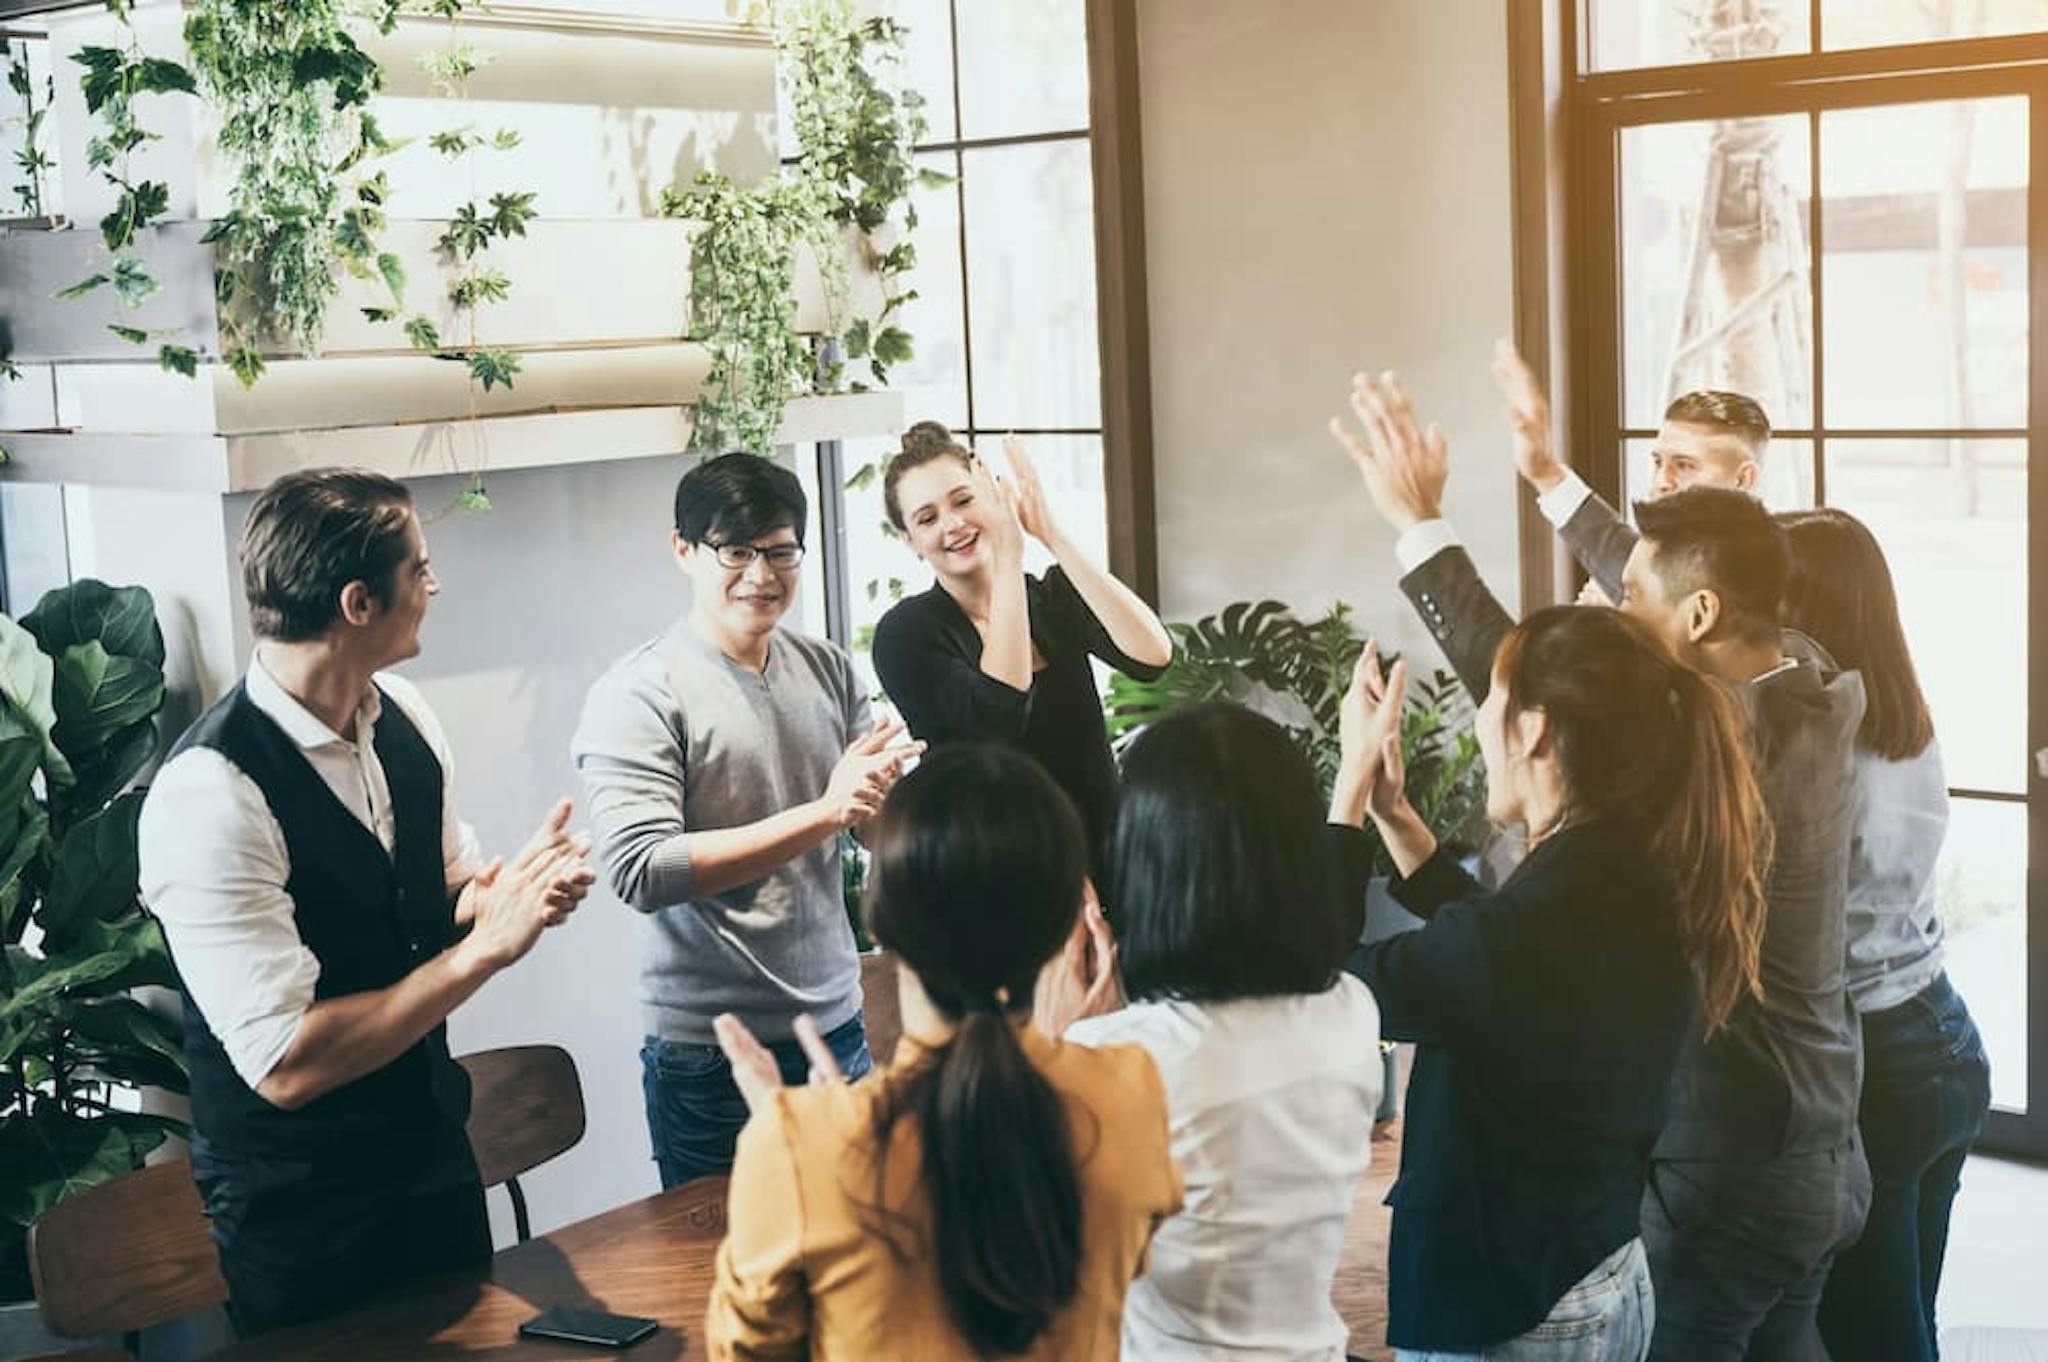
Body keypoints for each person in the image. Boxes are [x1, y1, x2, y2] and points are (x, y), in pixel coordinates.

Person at [1331, 372, 1870, 1361]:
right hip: (1821, 1138)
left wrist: (1420, 524)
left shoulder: (1710, 750)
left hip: (1727, 1165)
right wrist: (1546, 478)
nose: (1614, 614)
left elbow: (1556, 694)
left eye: (1628, 603)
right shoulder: (1804, 678)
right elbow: (1667, 584)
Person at [139, 468, 596, 1335]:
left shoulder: (408, 720)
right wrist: (481, 952)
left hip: (429, 1156)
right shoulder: (210, 793)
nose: (434, 586)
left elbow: (441, 895)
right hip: (299, 1213)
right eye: (419, 569)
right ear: (359, 603)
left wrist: (503, 895)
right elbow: (285, 1063)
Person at [703, 745, 1183, 1360]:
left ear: (878, 919)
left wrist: (793, 1142)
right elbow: (1126, 1260)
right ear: (1063, 919)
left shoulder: (801, 1142)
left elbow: (744, 1352)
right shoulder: (1131, 1091)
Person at [573, 453, 921, 1188]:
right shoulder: (638, 692)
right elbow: (642, 871)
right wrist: (827, 809)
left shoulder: (828, 667)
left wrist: (888, 798)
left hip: (836, 1024)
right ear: (684, 552)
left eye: (780, 551)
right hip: (710, 1054)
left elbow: (871, 831)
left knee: (855, 1253)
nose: (761, 574)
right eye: (735, 551)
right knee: (729, 1282)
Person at [1051, 702, 1381, 1362]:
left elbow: (1039, 1270)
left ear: (1147, 864)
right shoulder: (1352, 1010)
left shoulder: (1118, 1060)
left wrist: (1059, 1043)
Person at [1783, 509, 1993, 1362]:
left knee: (1873, 1336)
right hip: (1945, 1037)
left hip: (1876, 1064)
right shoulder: (1908, 718)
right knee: (1910, 1320)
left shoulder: (1820, 747)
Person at [871, 422, 1173, 871]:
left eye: (964, 500)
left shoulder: (1053, 597)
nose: (953, 524)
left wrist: (1052, 535)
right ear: (910, 541)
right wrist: (1009, 557)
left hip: (1105, 857)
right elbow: (999, 715)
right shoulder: (905, 634)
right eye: (927, 518)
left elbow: (1152, 657)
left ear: (993, 497)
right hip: (998, 874)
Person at [1492, 341, 1770, 605]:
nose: (1662, 482)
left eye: (1685, 466)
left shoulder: (1769, 582)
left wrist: (1625, 623)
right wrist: (1543, 470)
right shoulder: (1650, 567)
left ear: (1743, 480)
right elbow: (1613, 546)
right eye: (1658, 463)